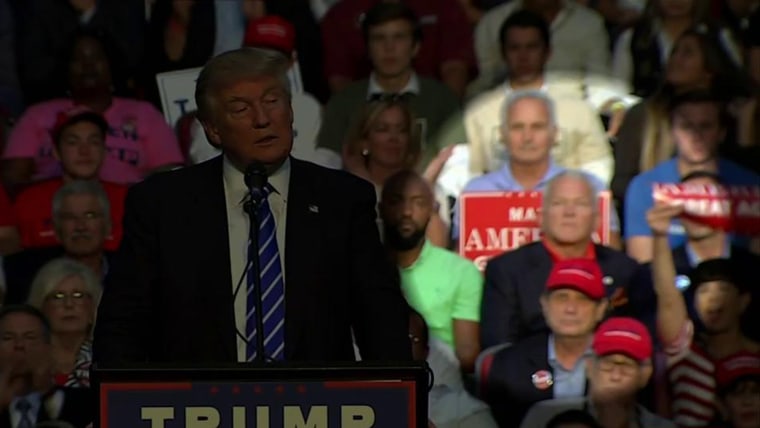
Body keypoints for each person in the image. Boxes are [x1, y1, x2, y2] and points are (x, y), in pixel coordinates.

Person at [92, 47, 411, 364]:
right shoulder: (162, 205)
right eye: (241, 108)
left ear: (290, 110)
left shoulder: (342, 199)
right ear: (213, 129)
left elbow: (381, 319)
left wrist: (402, 406)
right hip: (197, 407)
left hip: (317, 407)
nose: (263, 119)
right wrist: (112, 410)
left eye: (272, 101)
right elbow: (123, 323)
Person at [480, 170, 644, 349]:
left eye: (580, 204)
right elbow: (498, 351)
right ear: (541, 218)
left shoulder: (626, 270)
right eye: (558, 203)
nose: (569, 212)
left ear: (597, 219)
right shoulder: (506, 270)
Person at [483, 259, 610, 426]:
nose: (570, 309)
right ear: (544, 304)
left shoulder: (620, 365)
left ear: (600, 309)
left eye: (582, 299)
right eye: (562, 298)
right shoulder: (508, 365)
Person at [520, 317, 676, 428]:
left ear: (645, 375)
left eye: (626, 366)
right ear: (589, 366)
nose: (615, 376)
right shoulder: (544, 416)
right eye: (607, 364)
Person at [12, 109, 127, 251]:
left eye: (94, 142)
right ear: (56, 152)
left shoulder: (128, 199)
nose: (84, 151)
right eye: (73, 143)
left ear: (104, 151)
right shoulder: (30, 201)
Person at [0, 305, 92, 427]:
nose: (19, 345)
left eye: (30, 337)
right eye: (8, 338)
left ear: (48, 349)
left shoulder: (87, 404)